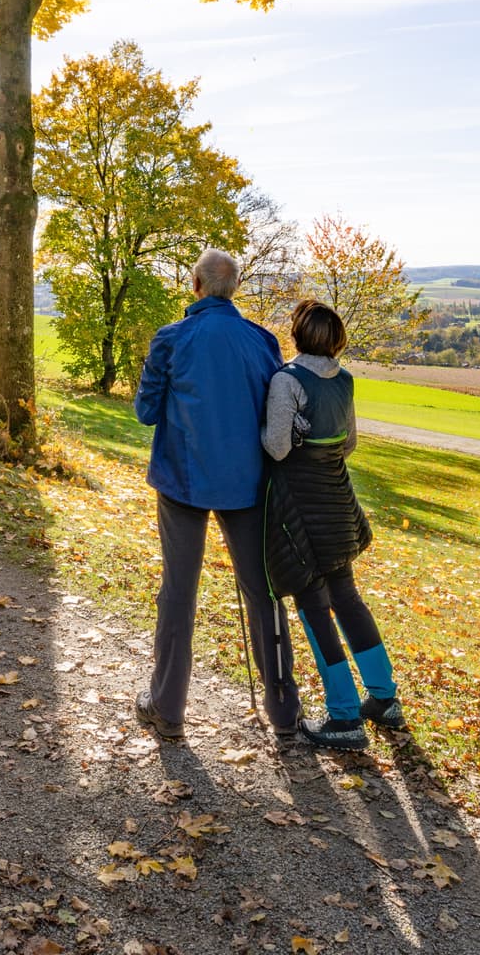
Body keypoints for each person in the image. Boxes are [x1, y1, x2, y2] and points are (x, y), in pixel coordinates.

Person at [132, 247, 303, 744]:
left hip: (183, 480)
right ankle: (284, 713)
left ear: (196, 286)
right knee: (263, 594)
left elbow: (146, 411)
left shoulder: (171, 338)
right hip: (248, 485)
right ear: (234, 289)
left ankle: (167, 709)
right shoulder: (262, 341)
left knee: (178, 593)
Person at [261, 297, 403, 751]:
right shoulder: (345, 380)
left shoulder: (287, 380)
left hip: (301, 511)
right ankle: (384, 697)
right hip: (339, 503)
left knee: (314, 607)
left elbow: (277, 448)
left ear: (298, 334)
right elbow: (349, 445)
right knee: (348, 599)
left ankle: (343, 715)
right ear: (336, 339)